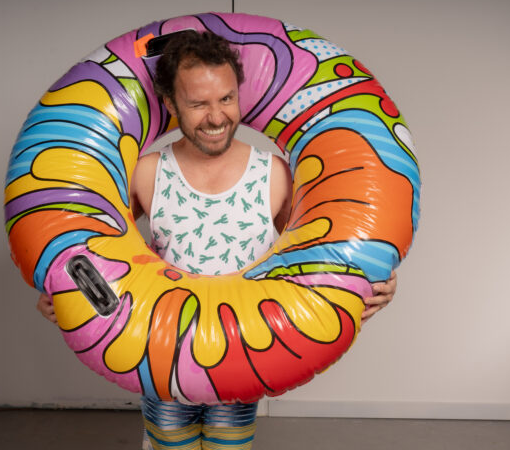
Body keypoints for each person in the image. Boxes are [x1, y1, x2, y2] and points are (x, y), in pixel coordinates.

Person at [36, 30, 397, 450]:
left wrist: (368, 275)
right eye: (198, 103)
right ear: (171, 105)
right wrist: (68, 290)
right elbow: (95, 244)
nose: (216, 117)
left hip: (240, 356)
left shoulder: (274, 174)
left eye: (226, 99)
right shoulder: (148, 172)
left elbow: (317, 254)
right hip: (162, 355)